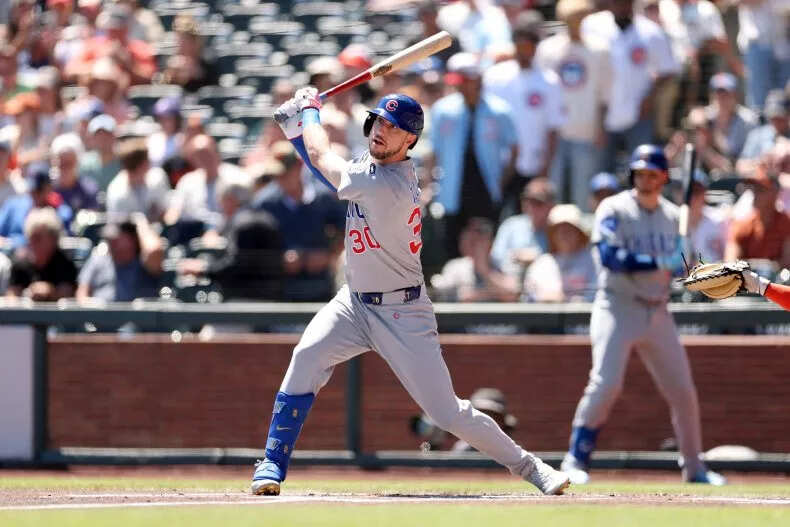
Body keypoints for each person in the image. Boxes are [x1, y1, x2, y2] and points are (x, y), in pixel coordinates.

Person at [250, 88, 570, 496]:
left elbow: (321, 158)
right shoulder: (372, 165)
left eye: (395, 127)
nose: (383, 130)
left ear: (411, 140)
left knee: (446, 412)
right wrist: (296, 131)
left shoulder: (390, 184)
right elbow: (329, 175)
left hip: (403, 311)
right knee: (306, 356)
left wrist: (309, 113)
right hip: (354, 301)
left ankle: (531, 467)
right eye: (380, 121)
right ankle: (272, 464)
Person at [560, 144, 726, 486]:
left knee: (682, 390)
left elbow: (687, 270)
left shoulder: (672, 217)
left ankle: (694, 467)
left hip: (657, 310)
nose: (645, 180)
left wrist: (688, 264)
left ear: (664, 177)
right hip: (617, 306)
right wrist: (657, 262)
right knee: (606, 384)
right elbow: (609, 256)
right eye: (640, 174)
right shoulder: (614, 207)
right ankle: (575, 459)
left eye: (652, 175)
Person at [430, 52, 518, 258]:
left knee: (486, 242)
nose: (459, 87)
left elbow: (514, 149)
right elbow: (434, 151)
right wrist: (431, 183)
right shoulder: (443, 110)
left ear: (476, 80)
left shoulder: (499, 110)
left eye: (464, 82)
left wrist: (501, 182)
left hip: (485, 187)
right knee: (453, 243)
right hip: (453, 187)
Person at [484, 11, 565, 217]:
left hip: (533, 163)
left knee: (530, 217)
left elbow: (553, 129)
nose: (525, 49)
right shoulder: (495, 76)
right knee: (498, 216)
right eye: (520, 43)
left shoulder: (549, 81)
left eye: (529, 43)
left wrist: (544, 171)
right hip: (500, 164)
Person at [582, 0, 679, 172]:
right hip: (602, 113)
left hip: (638, 113)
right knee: (600, 174)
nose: (622, 5)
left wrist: (650, 97)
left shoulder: (650, 31)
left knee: (642, 170)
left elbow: (668, 69)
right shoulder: (592, 25)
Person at [535, 0, 610, 210]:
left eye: (579, 19)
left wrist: (600, 128)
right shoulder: (548, 49)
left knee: (583, 193)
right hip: (554, 134)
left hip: (585, 131)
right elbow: (542, 94)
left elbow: (604, 95)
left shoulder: (599, 49)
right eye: (570, 19)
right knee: (552, 191)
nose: (575, 24)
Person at [430, 217, 519, 302]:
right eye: (471, 240)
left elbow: (514, 293)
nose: (476, 246)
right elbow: (442, 294)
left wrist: (484, 270)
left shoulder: (501, 263)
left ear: (490, 242)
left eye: (478, 240)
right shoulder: (456, 267)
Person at [76, 216, 163, 302]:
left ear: (131, 239)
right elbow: (82, 294)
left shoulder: (145, 262)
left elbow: (154, 250)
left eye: (116, 239)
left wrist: (140, 223)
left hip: (139, 315)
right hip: (101, 315)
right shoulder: (98, 260)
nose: (111, 243)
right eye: (109, 239)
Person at [522, 204, 596, 302]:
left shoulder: (593, 261)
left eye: (569, 229)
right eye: (559, 230)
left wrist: (568, 300)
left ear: (579, 233)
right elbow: (530, 295)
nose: (564, 234)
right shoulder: (541, 264)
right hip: (547, 317)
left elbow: (597, 295)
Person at [490, 177, 556, 279]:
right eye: (527, 200)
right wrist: (515, 257)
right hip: (511, 280)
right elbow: (496, 257)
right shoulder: (511, 225)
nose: (531, 206)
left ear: (551, 205)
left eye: (537, 202)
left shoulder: (559, 228)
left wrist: (538, 259)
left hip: (545, 282)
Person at [724, 166, 790, 268]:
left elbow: (786, 266)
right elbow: (731, 264)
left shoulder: (786, 224)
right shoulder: (742, 226)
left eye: (760, 189)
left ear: (775, 192)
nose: (755, 193)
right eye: (753, 189)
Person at [6, 207, 76, 300]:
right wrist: (25, 294)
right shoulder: (20, 265)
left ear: (53, 238)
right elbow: (11, 297)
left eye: (38, 238)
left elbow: (69, 294)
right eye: (31, 237)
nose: (32, 242)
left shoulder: (66, 264)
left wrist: (51, 292)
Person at [106, 138, 171, 222]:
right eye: (147, 160)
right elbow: (119, 230)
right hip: (130, 233)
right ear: (143, 165)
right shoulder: (116, 192)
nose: (149, 163)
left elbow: (168, 209)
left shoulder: (158, 177)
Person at [51, 132, 99, 212]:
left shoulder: (88, 189)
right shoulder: (47, 189)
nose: (65, 169)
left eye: (69, 164)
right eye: (61, 164)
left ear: (77, 162)